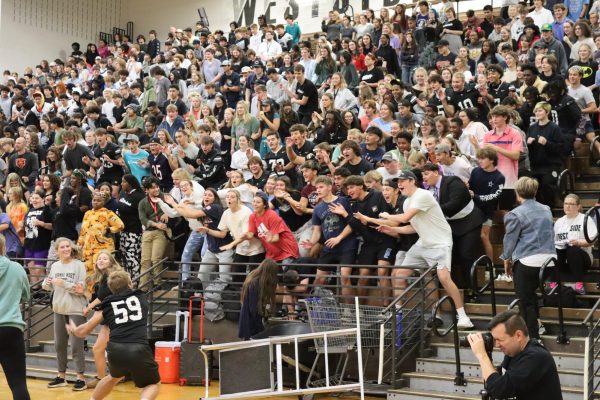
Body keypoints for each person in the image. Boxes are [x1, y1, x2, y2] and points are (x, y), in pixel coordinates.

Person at [378, 170, 474, 329]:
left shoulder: (423, 195)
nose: (399, 184)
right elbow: (412, 227)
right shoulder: (407, 202)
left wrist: (386, 216)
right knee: (399, 274)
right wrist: (392, 230)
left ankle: (463, 316)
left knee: (444, 278)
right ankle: (398, 313)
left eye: (402, 181)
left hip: (440, 243)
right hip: (423, 243)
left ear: (412, 181)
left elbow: (403, 219)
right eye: (398, 182)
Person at [67, 270, 161, 400]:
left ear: (111, 288)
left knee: (113, 377)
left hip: (115, 349)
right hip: (138, 347)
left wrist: (74, 330)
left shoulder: (107, 304)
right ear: (130, 284)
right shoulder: (141, 296)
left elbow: (84, 331)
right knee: (152, 384)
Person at [501, 177, 556, 339]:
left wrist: (506, 259)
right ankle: (537, 326)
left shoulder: (514, 214)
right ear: (535, 192)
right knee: (530, 296)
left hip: (528, 260)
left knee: (525, 302)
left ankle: (533, 338)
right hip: (550, 260)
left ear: (518, 194)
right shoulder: (546, 209)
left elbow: (509, 240)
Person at [467, 309, 563, 400]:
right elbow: (494, 382)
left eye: (500, 340)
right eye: (495, 340)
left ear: (518, 336)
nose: (496, 345)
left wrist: (482, 355)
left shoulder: (536, 356)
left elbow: (499, 389)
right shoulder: (513, 354)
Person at [42, 238, 88, 391]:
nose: (66, 249)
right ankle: (61, 376)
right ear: (57, 251)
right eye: (62, 247)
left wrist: (64, 284)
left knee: (76, 345)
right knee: (59, 345)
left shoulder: (79, 265)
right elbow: (49, 288)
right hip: (59, 309)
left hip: (75, 309)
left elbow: (81, 289)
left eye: (68, 246)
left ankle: (80, 377)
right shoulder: (55, 266)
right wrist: (47, 284)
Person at [84, 250, 123, 389]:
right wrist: (83, 292)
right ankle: (103, 378)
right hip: (109, 318)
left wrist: (88, 307)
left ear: (111, 262)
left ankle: (108, 378)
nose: (101, 260)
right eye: (99, 259)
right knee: (98, 348)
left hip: (116, 317)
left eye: (105, 259)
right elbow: (98, 299)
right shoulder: (101, 279)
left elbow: (102, 298)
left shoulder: (113, 277)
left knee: (101, 348)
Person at [0, 234, 31, 400]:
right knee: (18, 385)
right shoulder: (17, 268)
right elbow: (26, 296)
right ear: (3, 248)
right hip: (11, 328)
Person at [553, 194, 596, 294]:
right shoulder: (559, 222)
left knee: (573, 249)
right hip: (564, 260)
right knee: (554, 251)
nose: (568, 206)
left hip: (582, 258)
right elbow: (555, 242)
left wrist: (579, 243)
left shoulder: (585, 219)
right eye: (566, 203)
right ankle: (553, 282)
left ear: (578, 206)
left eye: (571, 204)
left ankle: (579, 284)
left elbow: (592, 241)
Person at [78, 192, 124, 276]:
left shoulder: (108, 213)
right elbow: (82, 231)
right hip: (88, 248)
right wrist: (79, 246)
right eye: (94, 200)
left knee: (101, 272)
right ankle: (90, 289)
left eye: (98, 200)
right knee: (88, 272)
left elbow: (120, 225)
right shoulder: (87, 213)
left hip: (102, 248)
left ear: (104, 202)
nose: (95, 202)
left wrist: (109, 230)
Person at [238, 258, 279, 340]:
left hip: (254, 317)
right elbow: (252, 307)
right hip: (251, 320)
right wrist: (259, 324)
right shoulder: (254, 283)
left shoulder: (257, 279)